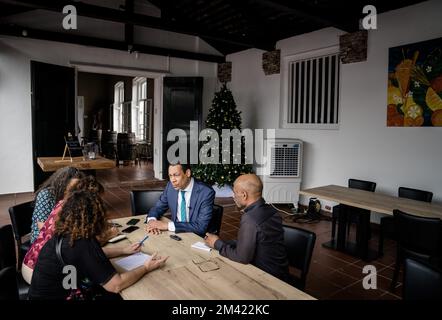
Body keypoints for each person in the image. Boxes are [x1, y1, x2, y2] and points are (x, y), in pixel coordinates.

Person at [28, 190, 168, 300]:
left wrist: (124, 250)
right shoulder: (81, 243)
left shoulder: (68, 233)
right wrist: (146, 267)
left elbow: (90, 256)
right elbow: (115, 285)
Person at [22, 175, 118, 285]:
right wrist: (108, 236)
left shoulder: (66, 205)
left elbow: (85, 250)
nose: (100, 203)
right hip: (38, 273)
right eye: (98, 199)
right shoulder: (78, 214)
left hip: (33, 263)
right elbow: (87, 249)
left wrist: (124, 250)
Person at [204, 174, 289, 282]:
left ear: (244, 195)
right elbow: (258, 241)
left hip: (268, 279)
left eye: (234, 192)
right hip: (281, 272)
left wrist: (217, 243)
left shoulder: (250, 219)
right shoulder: (271, 210)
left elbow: (242, 257)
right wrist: (226, 242)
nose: (233, 196)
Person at [145, 162, 215, 237]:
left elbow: (200, 227)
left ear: (187, 173)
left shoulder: (206, 192)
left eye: (176, 175)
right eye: (170, 176)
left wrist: (167, 226)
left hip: (195, 237)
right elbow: (158, 207)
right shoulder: (170, 187)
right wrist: (152, 221)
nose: (172, 180)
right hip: (174, 234)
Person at [30, 167, 83, 243]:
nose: (74, 191)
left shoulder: (73, 195)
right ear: (62, 184)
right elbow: (42, 226)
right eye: (71, 188)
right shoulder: (46, 194)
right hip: (42, 238)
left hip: (62, 233)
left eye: (76, 187)